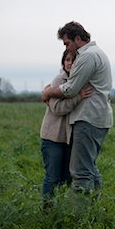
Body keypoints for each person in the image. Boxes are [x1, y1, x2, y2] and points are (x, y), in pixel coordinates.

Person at [42, 21, 113, 197]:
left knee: (80, 172)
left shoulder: (87, 56)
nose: (67, 48)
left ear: (78, 38)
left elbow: (70, 89)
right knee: (90, 166)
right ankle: (96, 206)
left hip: (88, 117)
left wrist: (48, 92)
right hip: (97, 117)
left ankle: (77, 217)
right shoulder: (97, 53)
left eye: (67, 43)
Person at [40, 49, 93, 203]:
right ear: (63, 62)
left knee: (68, 177)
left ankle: (62, 207)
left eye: (73, 60)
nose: (69, 63)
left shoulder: (81, 82)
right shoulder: (58, 81)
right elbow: (57, 109)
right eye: (67, 60)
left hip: (70, 139)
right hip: (53, 138)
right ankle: (48, 210)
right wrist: (78, 97)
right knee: (52, 177)